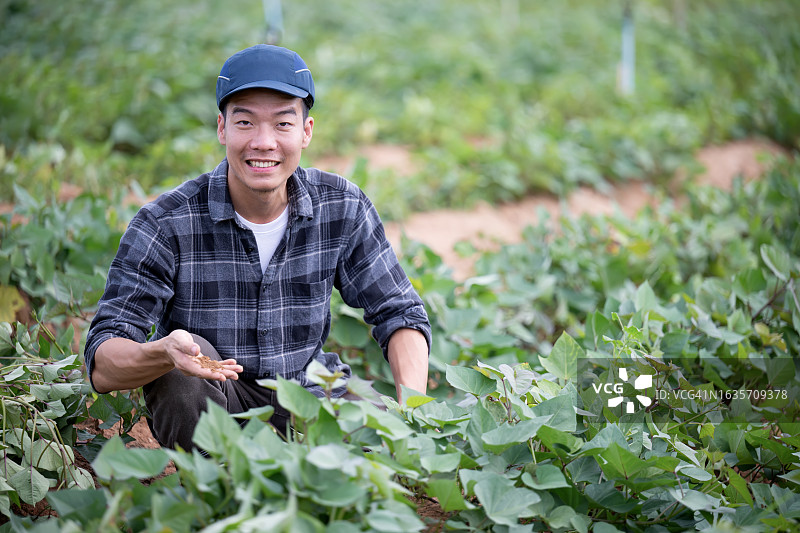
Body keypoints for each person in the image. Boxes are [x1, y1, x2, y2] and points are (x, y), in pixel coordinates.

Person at [84, 44, 431, 450]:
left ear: (306, 131)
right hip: (214, 400)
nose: (263, 142)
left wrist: (413, 412)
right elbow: (103, 362)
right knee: (180, 376)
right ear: (222, 128)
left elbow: (399, 311)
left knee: (382, 441)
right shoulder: (166, 223)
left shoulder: (342, 207)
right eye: (245, 122)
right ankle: (216, 484)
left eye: (283, 124)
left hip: (310, 393)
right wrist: (162, 353)